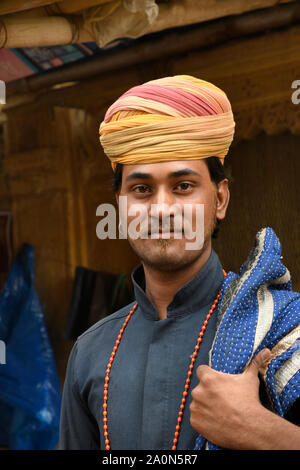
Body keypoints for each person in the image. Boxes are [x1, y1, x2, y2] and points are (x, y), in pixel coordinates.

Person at [59, 75, 300, 450]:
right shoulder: (90, 352)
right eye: (141, 189)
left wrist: (260, 431)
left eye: (183, 186)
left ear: (220, 199)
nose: (161, 209)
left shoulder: (279, 328)